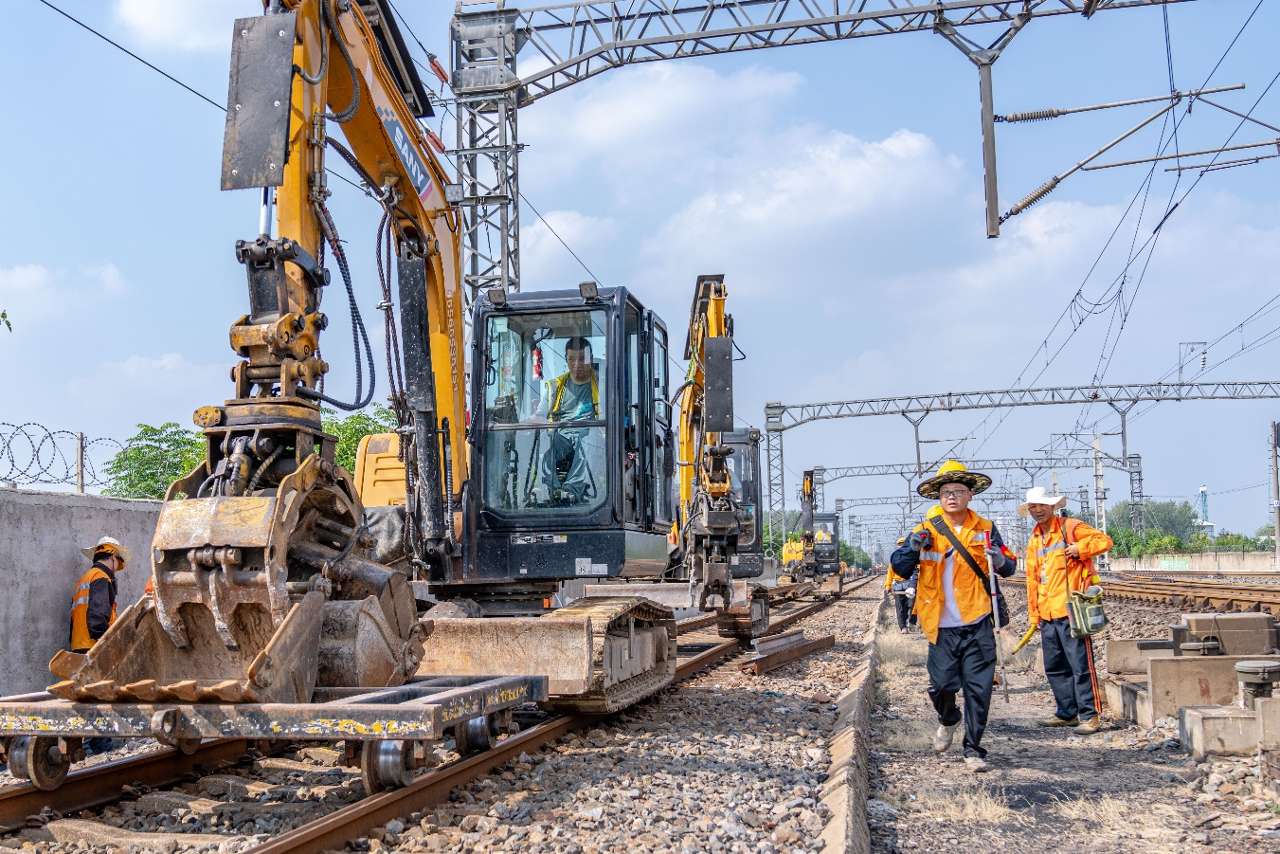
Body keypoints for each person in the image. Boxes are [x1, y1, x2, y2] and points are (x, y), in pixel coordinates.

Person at [890, 461, 1016, 773]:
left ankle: (973, 749)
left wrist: (999, 558)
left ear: (970, 495)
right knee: (941, 685)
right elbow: (899, 567)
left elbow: (1009, 565)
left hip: (977, 621)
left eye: (959, 491)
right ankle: (948, 718)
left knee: (979, 690)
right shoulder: (925, 530)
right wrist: (912, 550)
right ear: (938, 497)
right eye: (946, 492)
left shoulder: (985, 528)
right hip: (941, 625)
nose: (952, 497)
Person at [1020, 486, 1114, 735]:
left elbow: (1104, 541)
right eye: (1032, 507)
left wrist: (1079, 549)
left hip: (1072, 610)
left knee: (1080, 665)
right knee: (1055, 666)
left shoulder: (1070, 527)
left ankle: (1089, 715)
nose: (1037, 510)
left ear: (1052, 506)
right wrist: (1034, 614)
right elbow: (1032, 580)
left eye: (1041, 505)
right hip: (1047, 612)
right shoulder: (1035, 539)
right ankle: (1066, 712)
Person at [68, 535, 128, 755]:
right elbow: (98, 615)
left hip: (80, 645)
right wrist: (106, 643)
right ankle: (100, 745)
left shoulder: (85, 577)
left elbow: (75, 619)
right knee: (99, 694)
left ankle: (91, 742)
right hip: (95, 645)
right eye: (118, 562)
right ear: (112, 556)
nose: (117, 567)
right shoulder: (101, 577)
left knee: (86, 695)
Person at [536, 336, 600, 503]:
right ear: (566, 360)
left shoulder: (603, 383)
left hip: (590, 436)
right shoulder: (556, 387)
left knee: (588, 439)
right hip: (563, 437)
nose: (576, 364)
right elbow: (539, 416)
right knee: (547, 439)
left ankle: (573, 490)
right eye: (572, 359)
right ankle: (552, 489)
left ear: (590, 359)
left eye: (581, 359)